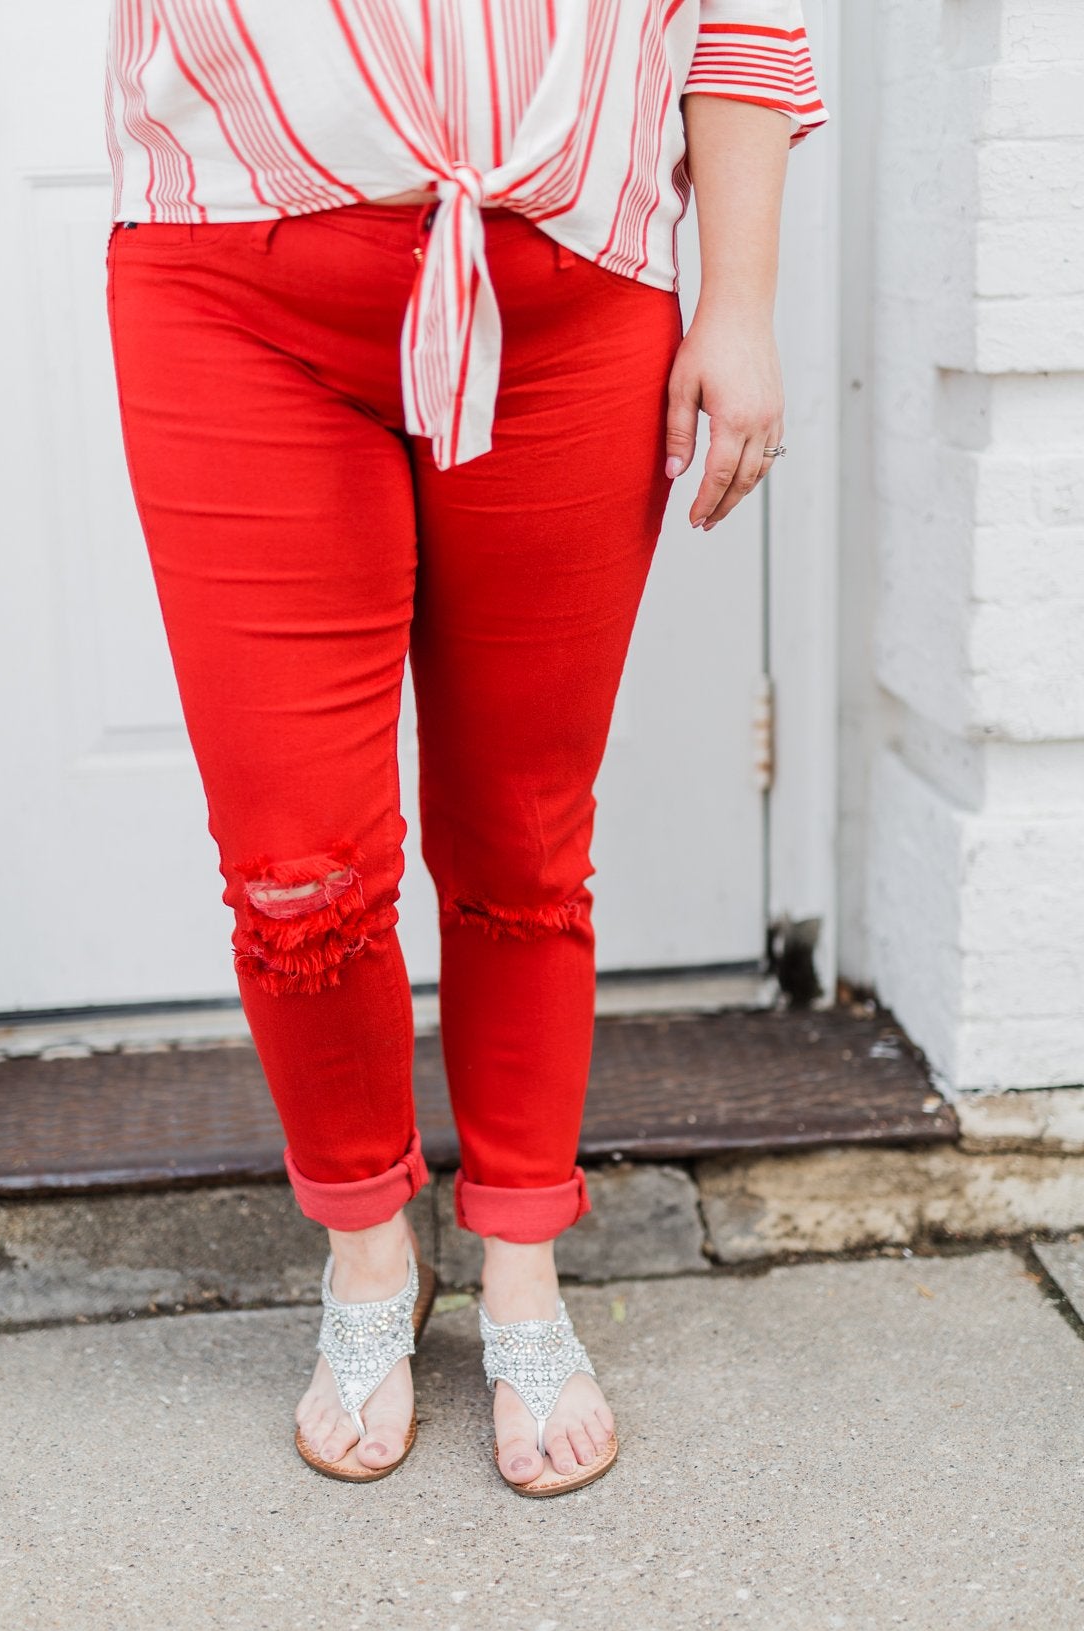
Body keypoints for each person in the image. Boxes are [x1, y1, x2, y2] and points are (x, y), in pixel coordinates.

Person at [104, 0, 827, 1495]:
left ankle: (519, 1263)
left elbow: (745, 15)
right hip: (235, 286)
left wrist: (740, 306)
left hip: (573, 295)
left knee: (520, 834)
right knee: (297, 862)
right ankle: (371, 1251)